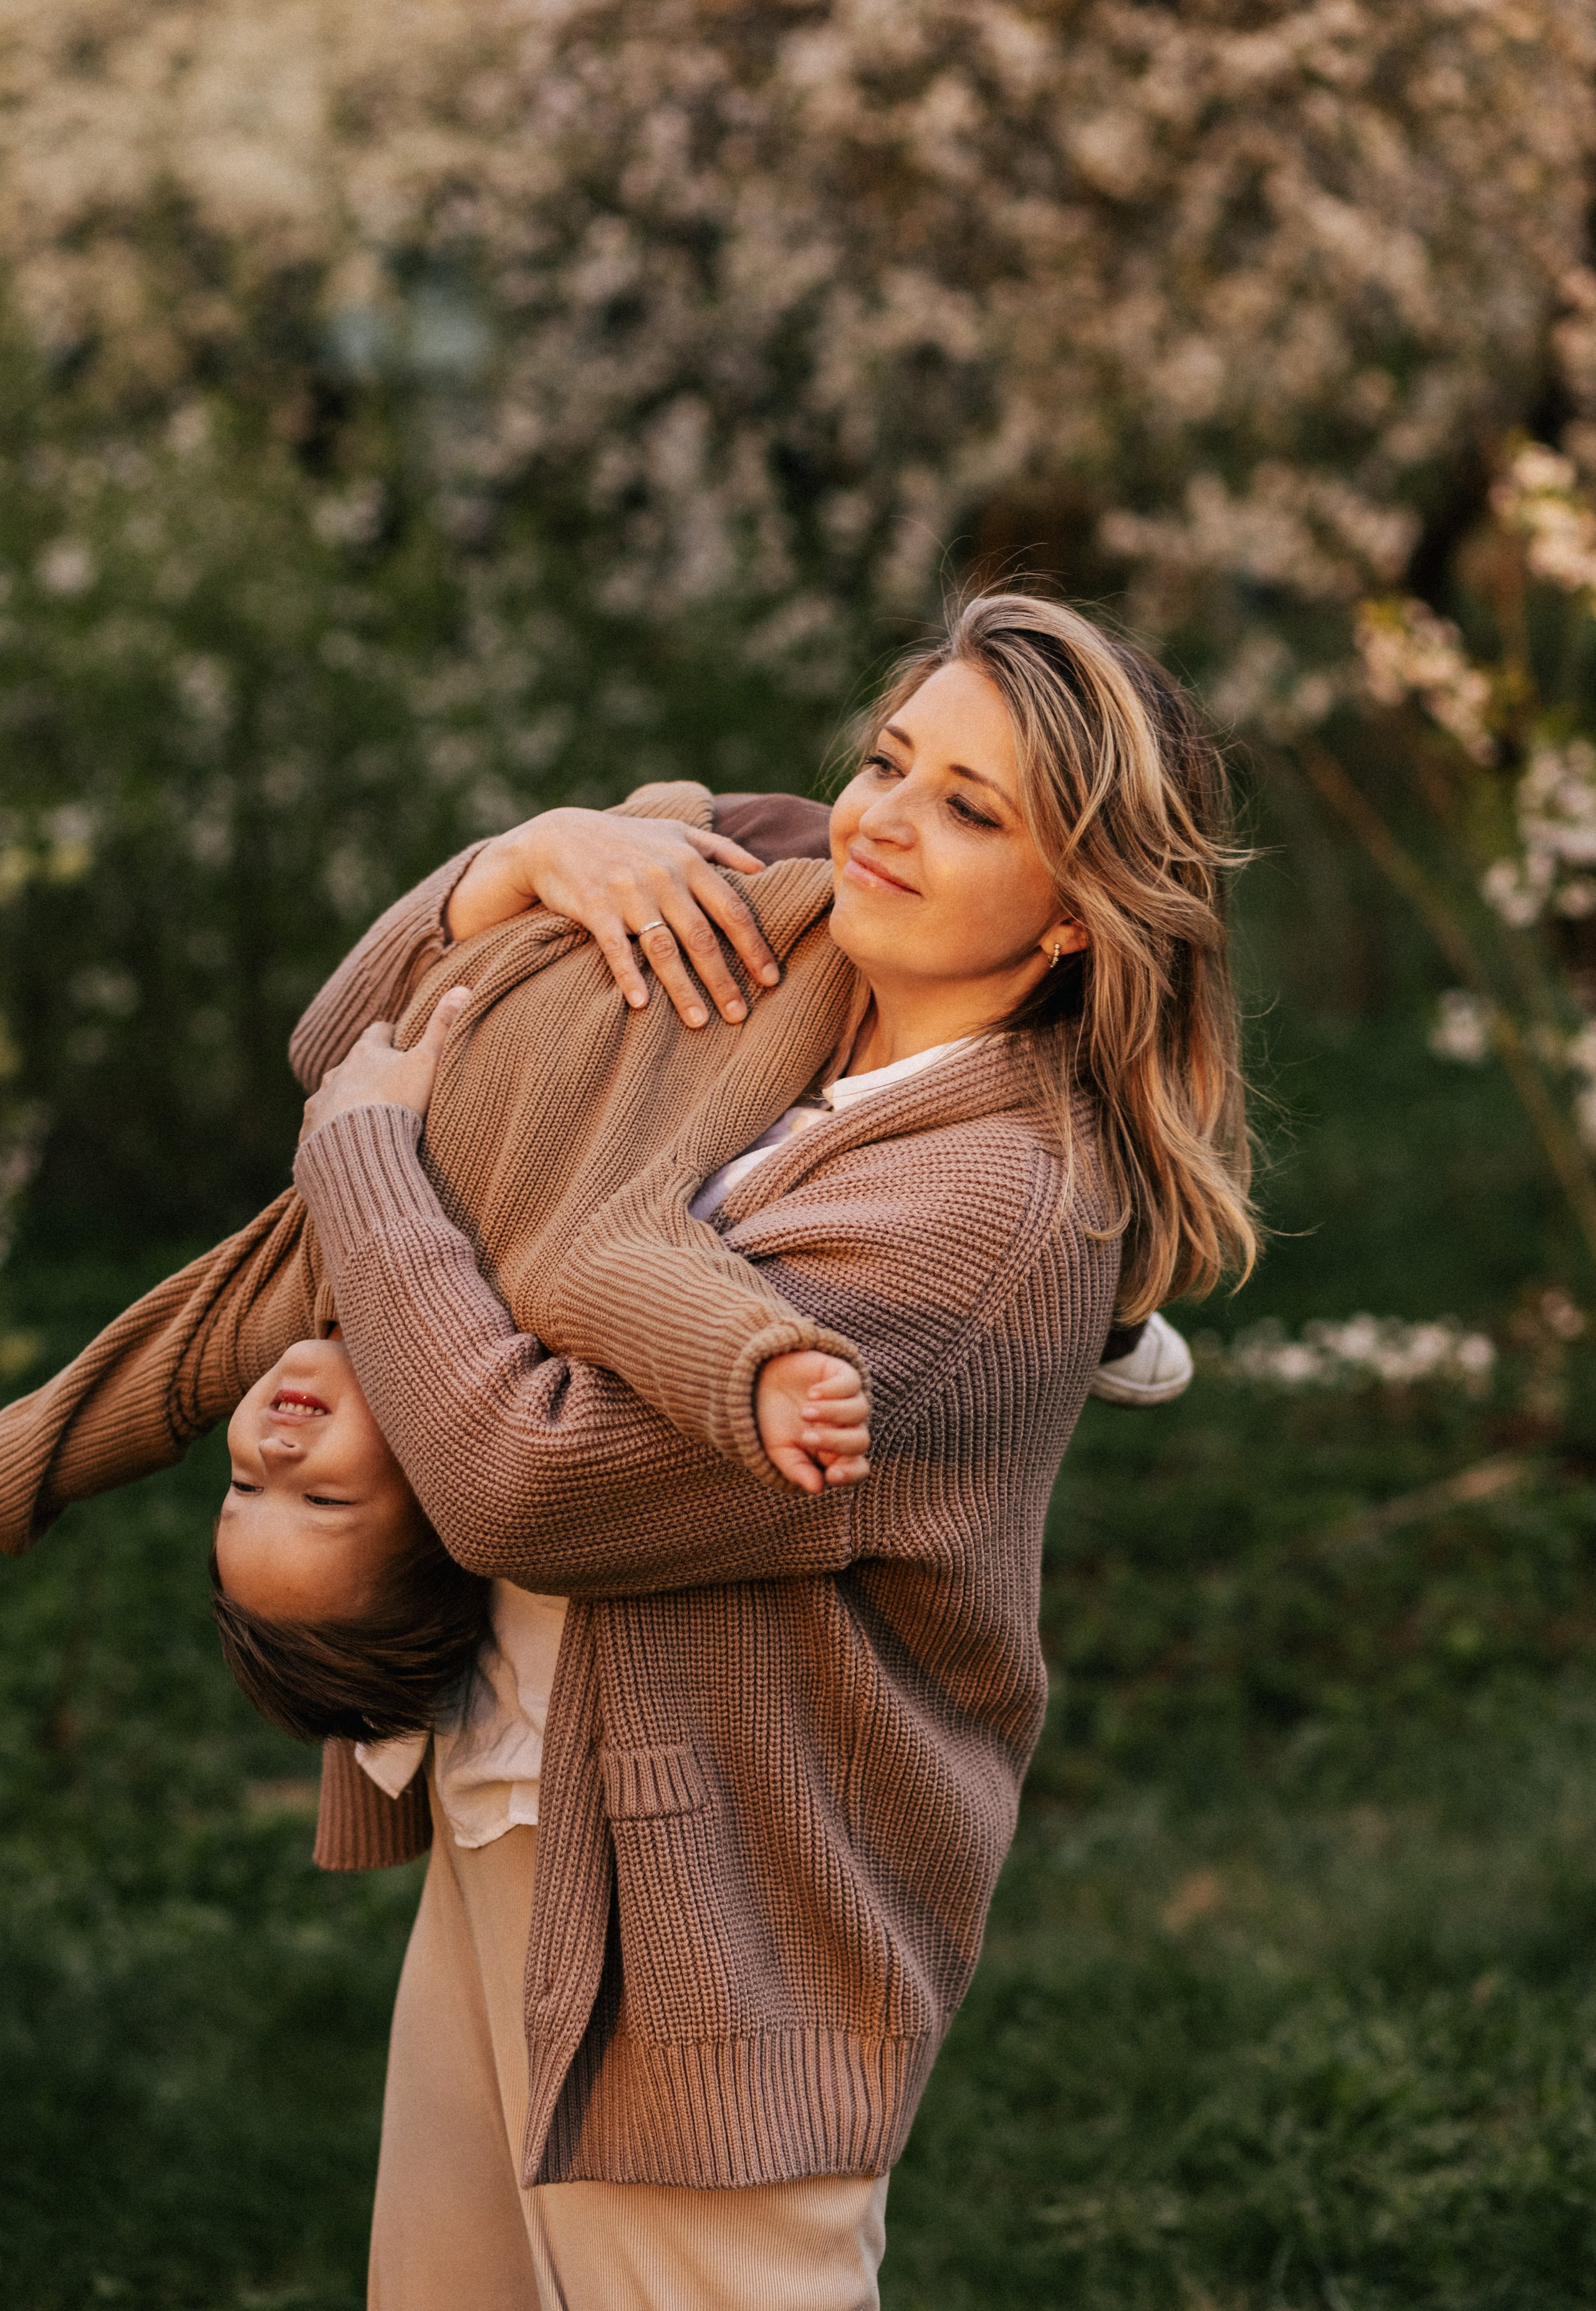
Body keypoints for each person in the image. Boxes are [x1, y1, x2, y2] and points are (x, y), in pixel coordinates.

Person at [0, 593, 1249, 2309]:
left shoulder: (993, 1216)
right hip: (516, 1787)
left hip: (716, 1916)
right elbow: (350, 1044)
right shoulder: (789, 931)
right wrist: (517, 861)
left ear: (1076, 922)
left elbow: (530, 1477)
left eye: (976, 809)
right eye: (892, 761)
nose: (886, 816)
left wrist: (371, 1162)